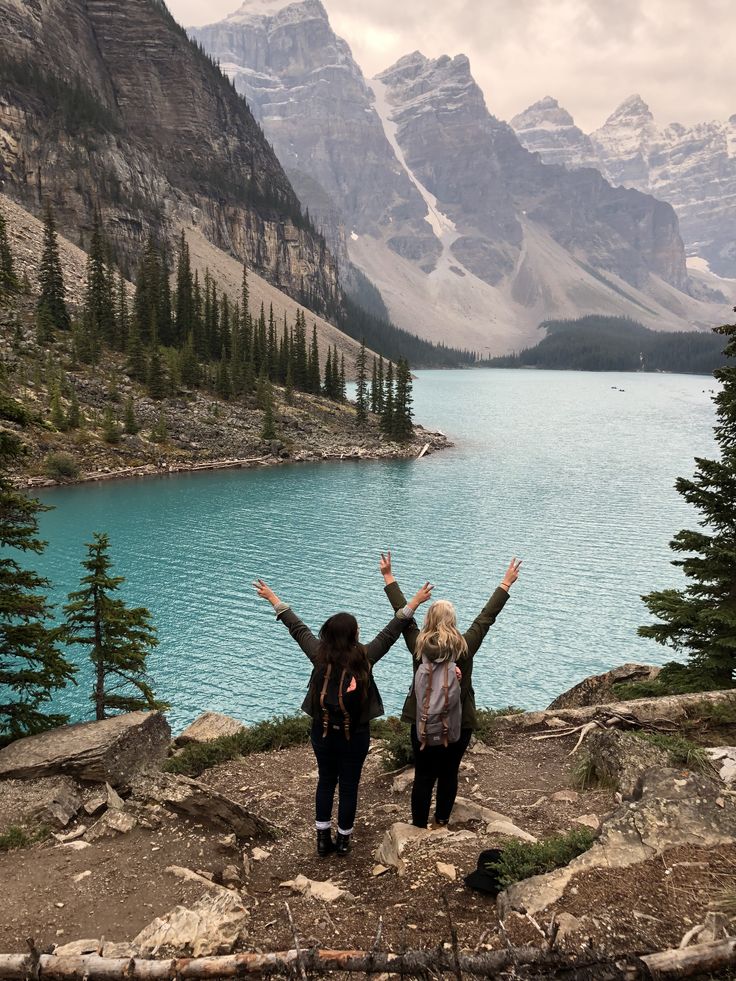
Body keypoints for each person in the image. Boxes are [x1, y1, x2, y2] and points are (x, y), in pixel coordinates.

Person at [253, 578, 434, 856]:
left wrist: (272, 597)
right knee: (349, 785)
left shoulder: (318, 654)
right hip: (355, 735)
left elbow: (296, 627)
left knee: (326, 781)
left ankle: (322, 840)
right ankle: (344, 841)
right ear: (351, 635)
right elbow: (391, 632)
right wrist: (414, 602)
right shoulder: (365, 656)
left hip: (322, 732)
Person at [378, 552, 521, 829]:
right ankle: (441, 820)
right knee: (448, 773)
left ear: (429, 621)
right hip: (459, 721)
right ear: (453, 621)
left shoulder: (418, 645)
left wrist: (388, 577)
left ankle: (417, 826)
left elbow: (404, 619)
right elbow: (486, 617)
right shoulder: (465, 646)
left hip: (422, 721)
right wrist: (506, 583)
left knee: (423, 775)